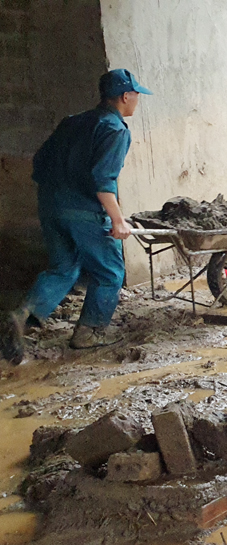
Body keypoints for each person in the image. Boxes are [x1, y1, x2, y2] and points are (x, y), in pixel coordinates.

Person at [1, 69, 151, 366]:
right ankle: (89, 334)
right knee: (109, 273)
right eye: (136, 95)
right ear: (125, 96)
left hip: (50, 206)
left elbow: (40, 162)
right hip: (84, 211)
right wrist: (118, 220)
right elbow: (103, 179)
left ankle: (20, 316)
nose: (137, 101)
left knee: (64, 268)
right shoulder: (115, 130)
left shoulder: (72, 122)